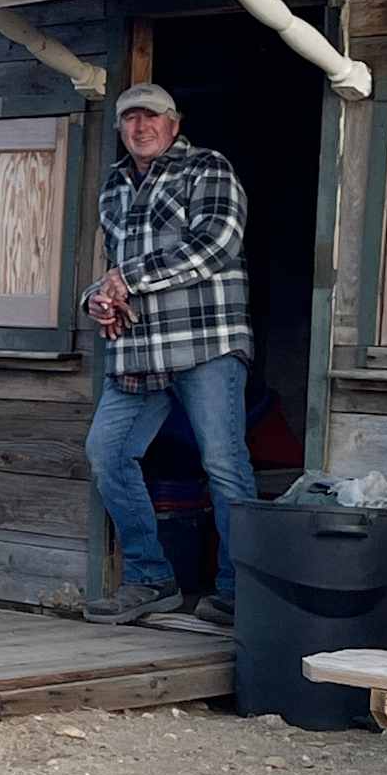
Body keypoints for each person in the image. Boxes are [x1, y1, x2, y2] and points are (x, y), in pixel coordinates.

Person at [82, 81, 253, 629]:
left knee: (223, 466)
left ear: (174, 124)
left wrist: (127, 280)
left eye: (152, 117)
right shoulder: (112, 184)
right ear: (120, 128)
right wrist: (99, 301)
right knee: (107, 454)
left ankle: (238, 590)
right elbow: (110, 267)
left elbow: (217, 244)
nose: (141, 127)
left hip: (205, 341)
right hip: (138, 350)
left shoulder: (208, 168)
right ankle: (151, 579)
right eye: (131, 118)